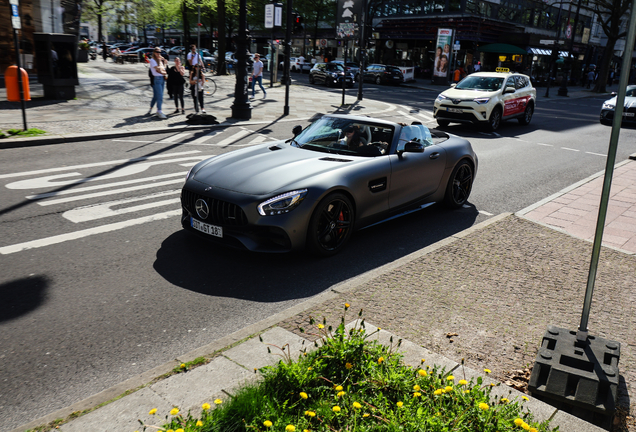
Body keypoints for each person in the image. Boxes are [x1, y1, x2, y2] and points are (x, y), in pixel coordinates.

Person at [148, 48, 168, 119]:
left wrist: (164, 63)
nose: (158, 53)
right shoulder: (153, 60)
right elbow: (158, 70)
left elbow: (164, 69)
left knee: (157, 95)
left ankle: (151, 107)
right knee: (160, 96)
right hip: (157, 78)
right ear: (154, 52)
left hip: (162, 78)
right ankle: (159, 111)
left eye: (159, 52)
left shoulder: (160, 60)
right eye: (157, 52)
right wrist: (162, 70)